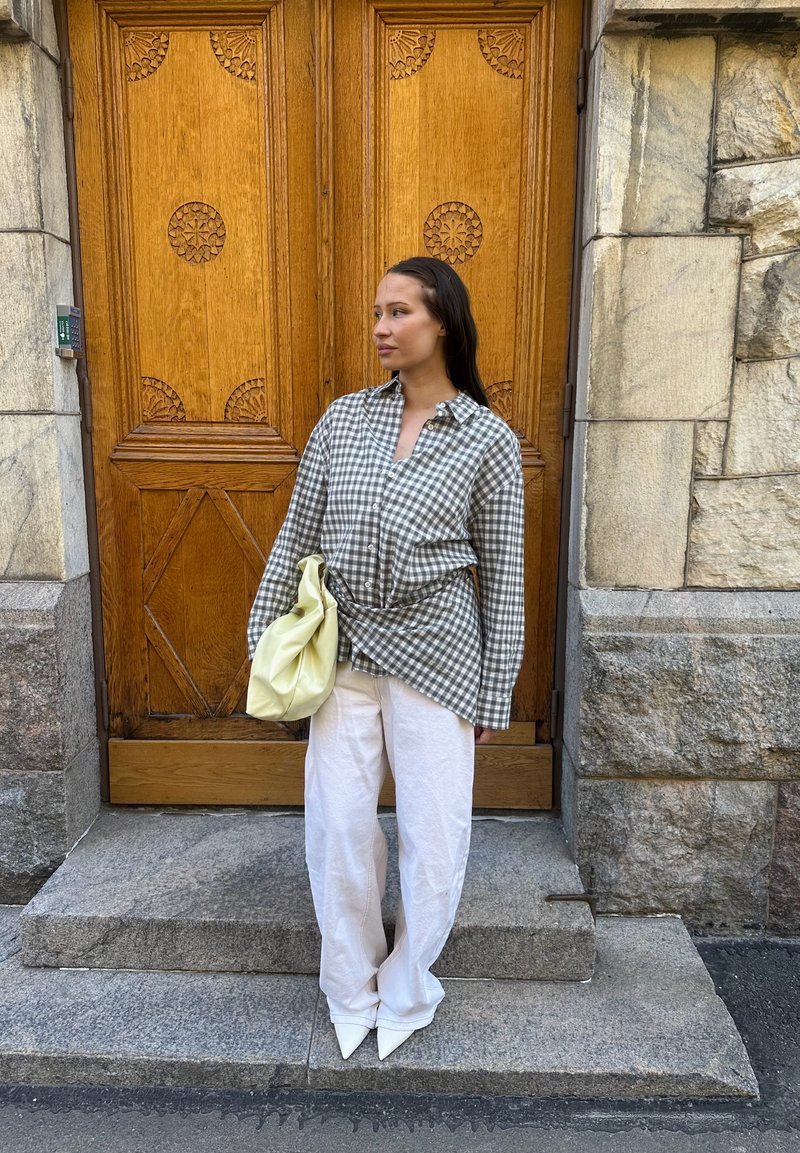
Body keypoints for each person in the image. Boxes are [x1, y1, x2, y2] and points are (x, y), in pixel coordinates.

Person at [247, 255, 525, 1061]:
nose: (381, 327)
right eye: (377, 312)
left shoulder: (488, 440)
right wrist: (264, 635)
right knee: (337, 827)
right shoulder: (343, 420)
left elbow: (503, 575)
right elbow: (297, 536)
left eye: (399, 312)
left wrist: (492, 691)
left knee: (433, 836)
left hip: (439, 658)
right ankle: (351, 983)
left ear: (443, 322)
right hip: (345, 653)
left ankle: (408, 986)